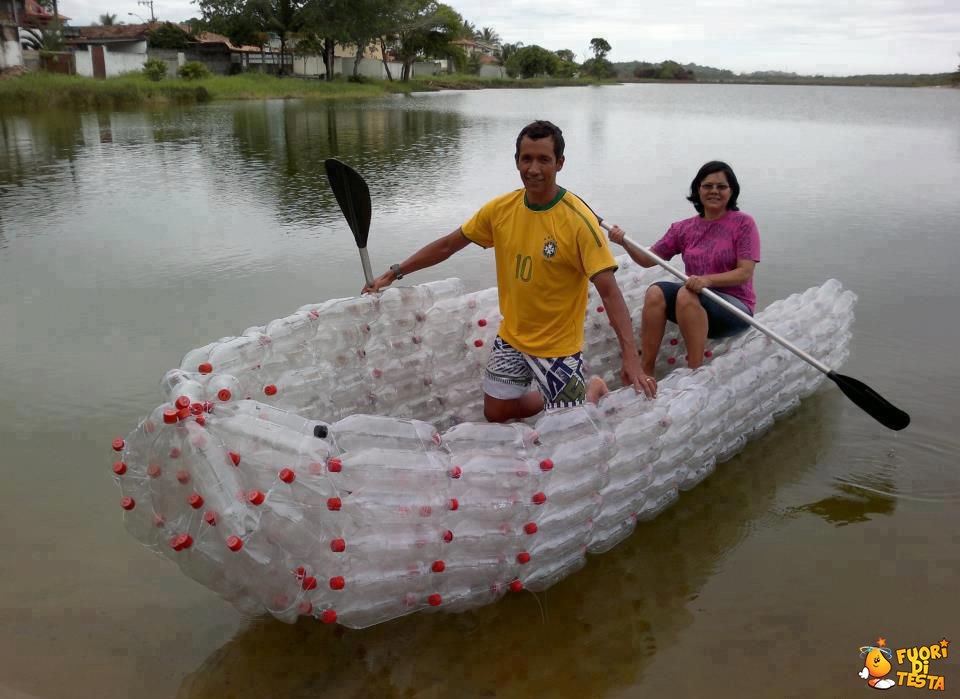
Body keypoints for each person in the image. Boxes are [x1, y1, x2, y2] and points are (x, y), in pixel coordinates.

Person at [362, 120, 655, 423]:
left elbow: (609, 291)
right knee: (496, 412)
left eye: (544, 159)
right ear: (516, 161)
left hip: (558, 347)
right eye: (526, 158)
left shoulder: (579, 221)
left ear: (560, 163)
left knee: (569, 430)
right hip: (513, 337)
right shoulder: (501, 210)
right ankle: (562, 397)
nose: (534, 168)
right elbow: (449, 245)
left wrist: (631, 357)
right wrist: (395, 272)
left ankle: (590, 391)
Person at [607, 161, 760, 375]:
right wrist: (623, 241)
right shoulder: (683, 228)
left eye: (721, 186)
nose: (714, 191)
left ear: (731, 191)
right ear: (698, 189)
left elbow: (744, 273)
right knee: (655, 292)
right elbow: (648, 259)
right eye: (707, 186)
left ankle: (694, 372)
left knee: (686, 293)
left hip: (734, 309)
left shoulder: (744, 223)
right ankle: (646, 370)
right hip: (694, 300)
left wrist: (707, 281)